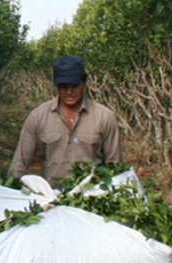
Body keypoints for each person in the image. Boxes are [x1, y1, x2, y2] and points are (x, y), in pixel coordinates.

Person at [9, 55, 123, 186]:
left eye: (74, 85)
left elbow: (115, 166)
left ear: (84, 82)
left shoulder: (105, 117)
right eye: (63, 86)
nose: (69, 91)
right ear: (56, 86)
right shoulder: (37, 117)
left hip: (91, 198)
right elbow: (19, 164)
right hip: (50, 197)